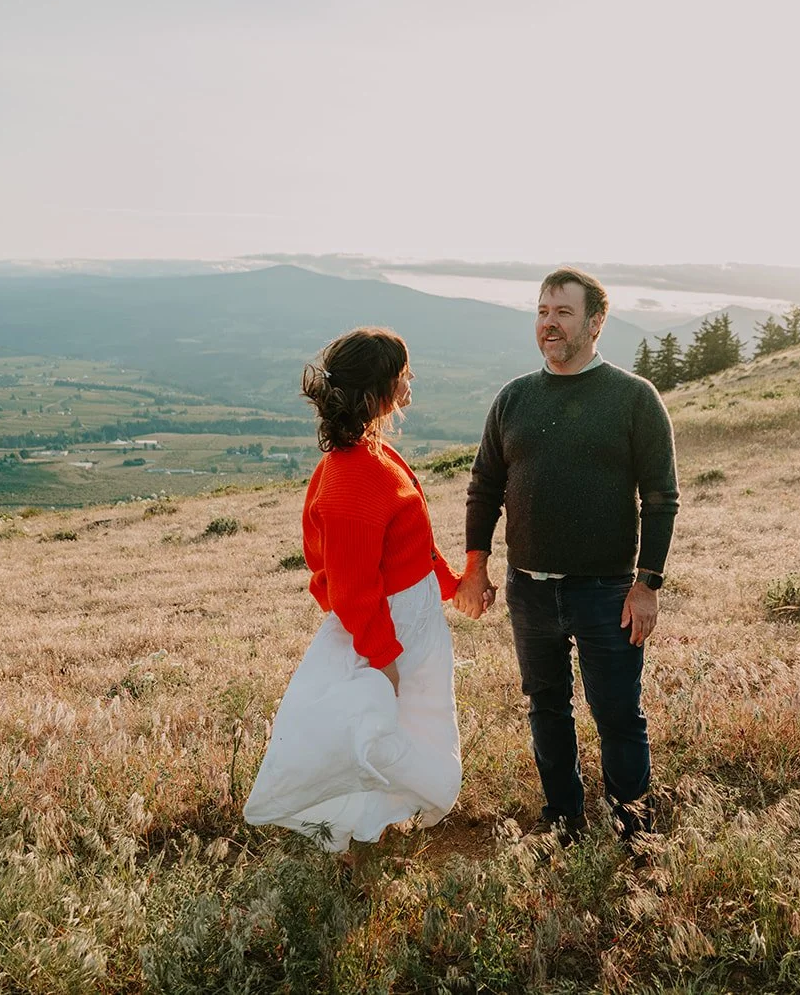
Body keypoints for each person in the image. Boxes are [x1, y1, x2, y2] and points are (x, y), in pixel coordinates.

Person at [456, 267, 679, 845]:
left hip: (607, 591)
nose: (548, 324)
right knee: (546, 708)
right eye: (542, 312)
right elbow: (484, 488)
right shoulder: (515, 398)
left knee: (617, 715)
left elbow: (660, 499)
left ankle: (636, 834)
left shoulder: (634, 398)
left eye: (563, 313)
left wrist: (647, 584)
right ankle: (563, 823)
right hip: (529, 586)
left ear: (596, 322)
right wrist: (475, 567)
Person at [244, 327, 469, 852]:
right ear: (375, 395)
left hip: (411, 622)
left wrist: (452, 586)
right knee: (374, 731)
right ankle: (357, 825)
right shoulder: (350, 481)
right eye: (401, 375)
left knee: (414, 723)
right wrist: (384, 659)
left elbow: (413, 547)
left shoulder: (376, 453)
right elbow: (351, 590)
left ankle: (385, 817)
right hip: (386, 633)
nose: (410, 382)